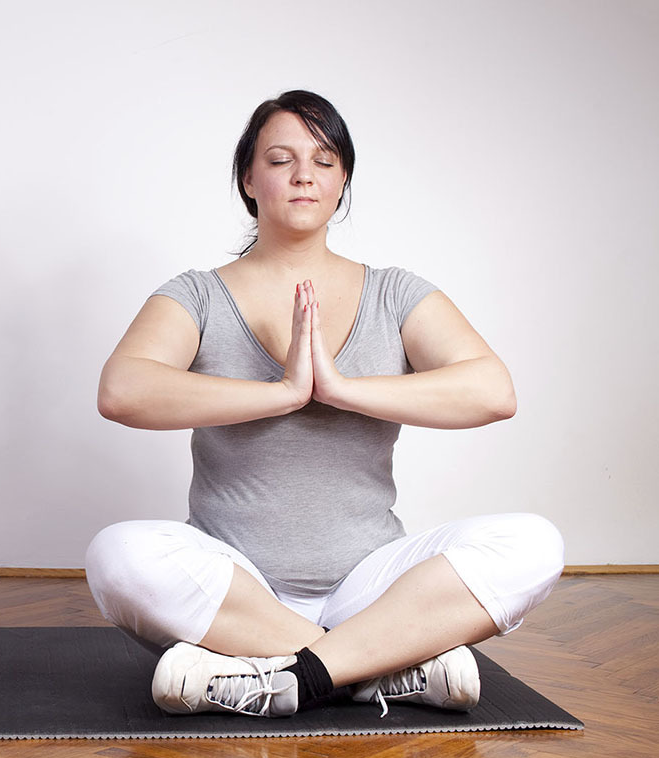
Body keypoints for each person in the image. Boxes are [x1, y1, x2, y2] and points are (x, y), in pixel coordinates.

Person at [85, 90, 564, 719]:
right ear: (249, 181)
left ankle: (272, 674)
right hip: (236, 584)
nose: (304, 174)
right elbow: (122, 390)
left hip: (371, 584)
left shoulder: (396, 293)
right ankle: (380, 667)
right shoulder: (197, 295)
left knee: (534, 544)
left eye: (325, 159)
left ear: (343, 182)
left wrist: (339, 389)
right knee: (117, 556)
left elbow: (493, 392)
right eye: (280, 159)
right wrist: (279, 394)